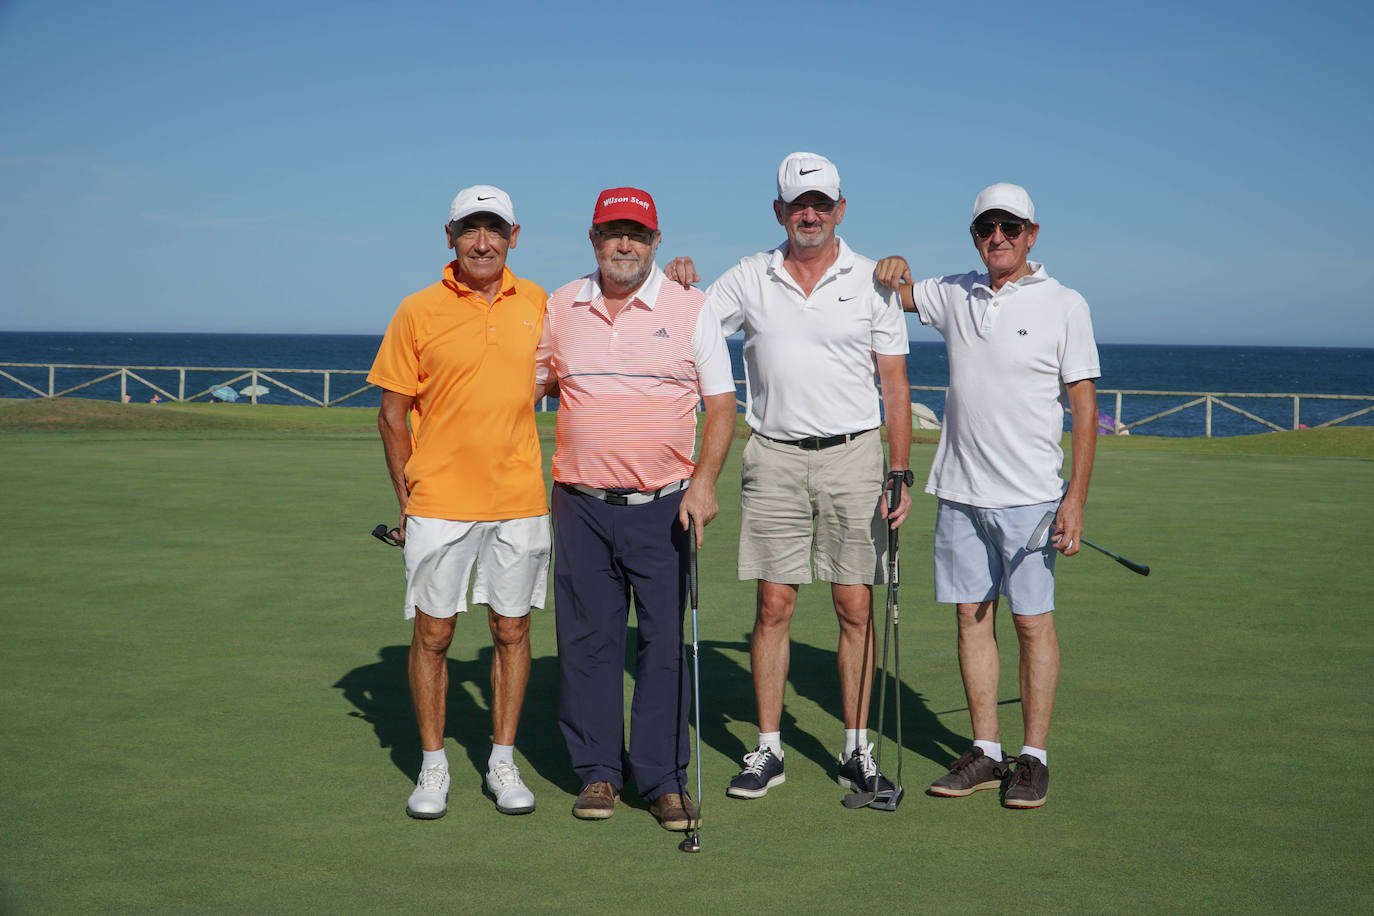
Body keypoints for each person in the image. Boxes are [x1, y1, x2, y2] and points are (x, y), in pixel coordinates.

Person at [665, 152, 913, 801]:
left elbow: (894, 384)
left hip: (855, 455)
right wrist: (677, 280)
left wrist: (901, 470)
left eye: (821, 203)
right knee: (774, 604)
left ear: (840, 210)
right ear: (779, 211)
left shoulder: (873, 280)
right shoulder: (749, 277)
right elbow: (684, 326)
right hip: (772, 453)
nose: (810, 213)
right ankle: (769, 748)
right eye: (798, 204)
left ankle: (856, 748)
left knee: (854, 605)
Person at [874, 182, 1100, 809]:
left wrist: (1074, 497)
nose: (996, 237)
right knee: (971, 620)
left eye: (1008, 226)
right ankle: (986, 751)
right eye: (984, 228)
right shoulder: (955, 292)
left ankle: (1034, 758)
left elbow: (1084, 407)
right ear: (975, 236)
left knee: (1032, 623)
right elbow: (896, 289)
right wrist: (890, 267)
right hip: (961, 492)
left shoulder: (1065, 304)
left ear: (1031, 233)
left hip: (1031, 497)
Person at [536, 187, 735, 832]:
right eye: (612, 233)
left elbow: (721, 405)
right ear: (593, 240)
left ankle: (663, 779)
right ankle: (598, 773)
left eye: (638, 235)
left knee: (662, 643)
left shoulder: (689, 306)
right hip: (581, 503)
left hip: (664, 505)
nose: (625, 245)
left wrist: (704, 483)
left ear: (656, 242)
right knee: (587, 642)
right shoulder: (560, 306)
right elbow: (527, 386)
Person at [367, 185, 551, 820]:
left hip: (520, 497)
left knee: (512, 628)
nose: (482, 241)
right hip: (440, 500)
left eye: (494, 229)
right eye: (470, 229)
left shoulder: (540, 303)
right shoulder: (417, 310)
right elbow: (392, 414)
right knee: (435, 632)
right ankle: (433, 764)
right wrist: (408, 499)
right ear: (449, 236)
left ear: (513, 236)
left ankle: (501, 761)